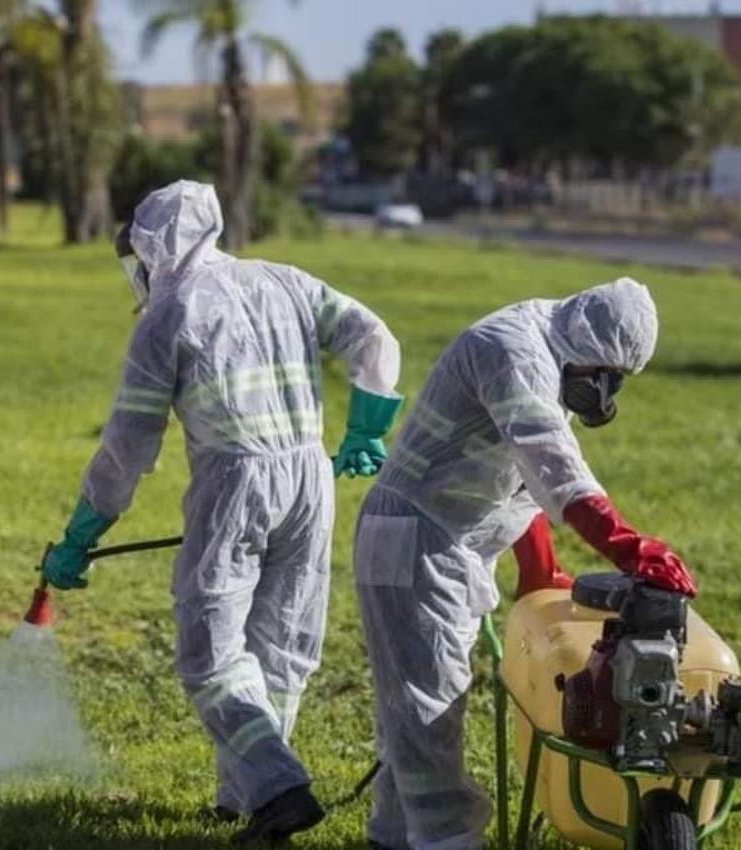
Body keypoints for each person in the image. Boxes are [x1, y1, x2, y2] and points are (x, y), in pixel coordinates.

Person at [40, 180, 403, 844]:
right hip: (308, 479)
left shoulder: (167, 316)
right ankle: (245, 799)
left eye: (136, 258)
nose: (137, 274)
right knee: (281, 648)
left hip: (234, 480)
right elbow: (373, 337)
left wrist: (83, 530)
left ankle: (278, 787)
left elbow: (127, 447)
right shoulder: (285, 280)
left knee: (209, 653)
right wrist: (366, 427)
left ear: (155, 245)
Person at [353, 278, 696, 850]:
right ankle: (446, 840)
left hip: (446, 542)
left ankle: (394, 836)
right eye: (604, 380)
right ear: (586, 352)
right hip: (413, 539)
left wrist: (538, 567)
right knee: (427, 706)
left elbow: (520, 472)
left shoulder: (553, 347)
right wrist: (630, 546)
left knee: (416, 702)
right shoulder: (512, 350)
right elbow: (552, 464)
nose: (605, 397)